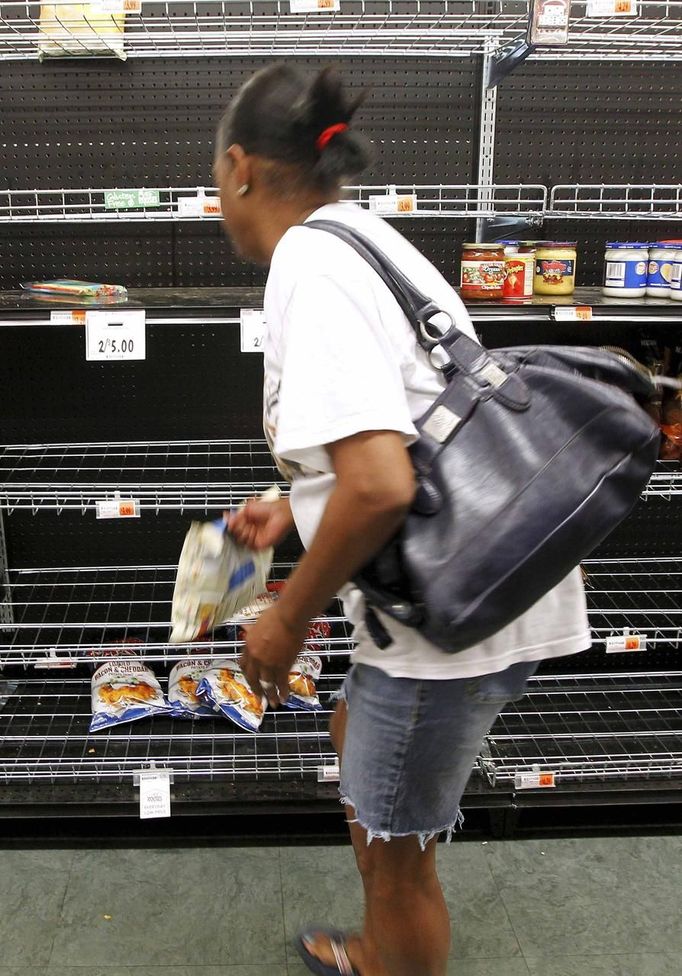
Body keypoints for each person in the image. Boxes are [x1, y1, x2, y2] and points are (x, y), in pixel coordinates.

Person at [218, 64, 591, 976]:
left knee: (398, 861)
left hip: (443, 622)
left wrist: (285, 617)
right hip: (486, 576)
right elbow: (414, 432)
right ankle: (382, 950)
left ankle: (392, 950)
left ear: (237, 169)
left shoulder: (308, 264)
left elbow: (382, 486)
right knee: (357, 741)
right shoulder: (360, 235)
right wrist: (297, 502)